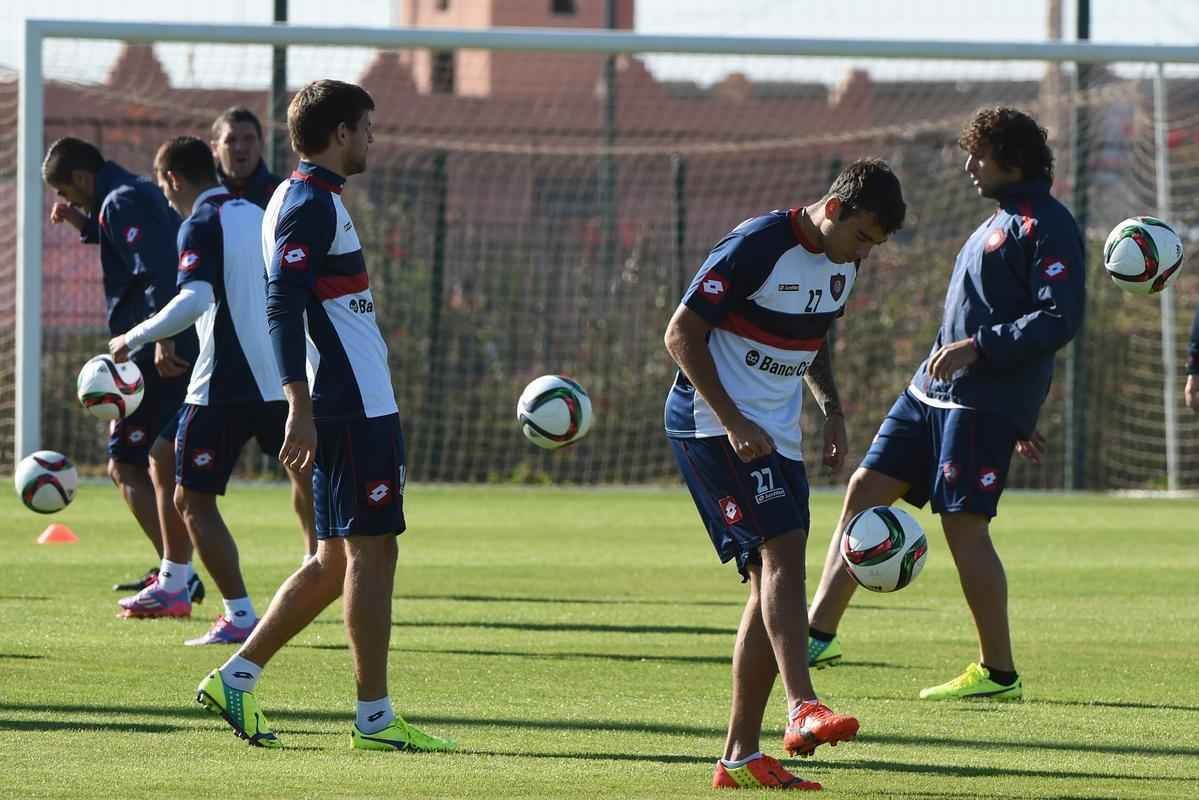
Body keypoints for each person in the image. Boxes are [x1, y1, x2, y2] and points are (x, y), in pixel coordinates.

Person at [195, 79, 455, 753]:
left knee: (334, 559)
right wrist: (298, 406)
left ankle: (236, 677)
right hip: (348, 408)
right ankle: (374, 717)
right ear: (340, 133)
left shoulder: (305, 196)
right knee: (374, 552)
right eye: (367, 127)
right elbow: (282, 303)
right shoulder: (308, 201)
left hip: (353, 403)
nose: (373, 138)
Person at [807, 107, 1085, 702]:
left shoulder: (1047, 225)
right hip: (927, 394)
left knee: (963, 524)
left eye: (978, 156)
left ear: (1009, 161)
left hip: (980, 401)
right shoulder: (999, 220)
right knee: (863, 490)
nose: (968, 166)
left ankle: (998, 672)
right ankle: (816, 633)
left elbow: (1059, 318)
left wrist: (985, 358)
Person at [664, 159, 907, 790]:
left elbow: (816, 334)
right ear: (836, 208)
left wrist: (831, 409)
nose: (865, 254)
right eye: (863, 237)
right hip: (712, 426)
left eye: (875, 247)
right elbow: (681, 334)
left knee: (766, 582)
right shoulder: (757, 244)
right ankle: (802, 705)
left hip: (779, 432)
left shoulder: (844, 260)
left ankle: (739, 758)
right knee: (784, 556)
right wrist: (734, 419)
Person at [107, 136, 317, 645]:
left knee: (191, 500)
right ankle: (327, 571)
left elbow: (194, 298)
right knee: (311, 480)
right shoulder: (259, 212)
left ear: (173, 179)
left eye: (163, 187)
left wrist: (132, 338)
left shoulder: (201, 222)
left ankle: (239, 613)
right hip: (285, 377)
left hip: (224, 384)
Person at [42, 137, 205, 607]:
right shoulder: (128, 194)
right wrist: (84, 225)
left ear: (79, 179)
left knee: (125, 463)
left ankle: (178, 577)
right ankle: (176, 571)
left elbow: (156, 269)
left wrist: (161, 338)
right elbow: (135, 241)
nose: (65, 201)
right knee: (154, 460)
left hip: (154, 349)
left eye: (65, 193)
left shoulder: (122, 199)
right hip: (156, 344)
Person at [210, 106, 285, 210]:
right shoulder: (203, 196)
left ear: (261, 144)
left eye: (249, 139)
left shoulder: (282, 195)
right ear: (215, 148)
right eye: (231, 140)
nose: (240, 148)